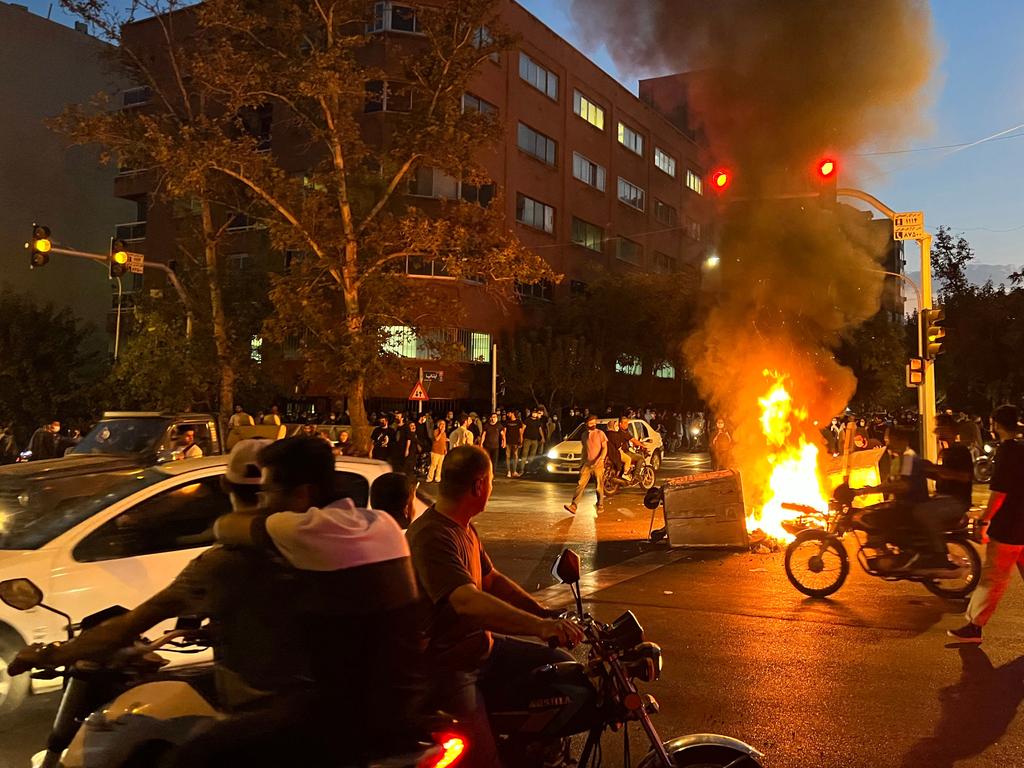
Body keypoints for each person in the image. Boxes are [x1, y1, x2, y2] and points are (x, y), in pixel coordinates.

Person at [406, 446, 585, 768]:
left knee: (562, 669)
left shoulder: (463, 526)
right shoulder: (432, 535)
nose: (491, 488)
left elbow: (491, 579)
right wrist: (539, 627)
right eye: (490, 481)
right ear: (478, 485)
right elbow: (466, 601)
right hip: (452, 665)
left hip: (483, 648)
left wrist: (543, 614)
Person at [949, 405, 1024, 643]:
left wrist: (984, 520)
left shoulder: (1007, 452)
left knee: (993, 579)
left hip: (1008, 528)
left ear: (995, 424)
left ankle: (974, 627)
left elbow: (999, 492)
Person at [911, 414, 973, 570]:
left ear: (948, 429)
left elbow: (964, 476)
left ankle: (940, 554)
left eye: (938, 428)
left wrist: (935, 469)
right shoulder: (944, 452)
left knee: (923, 512)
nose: (935, 432)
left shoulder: (960, 451)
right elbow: (940, 475)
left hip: (956, 501)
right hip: (942, 499)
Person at [564, 414, 607, 515]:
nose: (593, 425)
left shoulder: (600, 433)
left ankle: (600, 505)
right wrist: (582, 463)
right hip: (587, 464)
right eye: (591, 423)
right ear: (586, 424)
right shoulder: (584, 435)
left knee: (599, 486)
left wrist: (601, 459)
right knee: (580, 484)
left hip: (598, 465)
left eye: (594, 423)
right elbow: (584, 450)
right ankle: (574, 506)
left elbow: (605, 448)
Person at [520, 409, 547, 475]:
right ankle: (521, 470)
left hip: (535, 440)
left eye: (536, 413)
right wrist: (521, 438)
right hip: (527, 439)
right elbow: (522, 429)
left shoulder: (538, 421)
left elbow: (540, 430)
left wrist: (542, 437)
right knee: (524, 455)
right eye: (533, 413)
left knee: (532, 456)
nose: (534, 414)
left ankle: (528, 469)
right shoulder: (527, 420)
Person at [504, 411, 523, 478]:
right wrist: (504, 441)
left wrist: (521, 441)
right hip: (508, 442)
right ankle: (508, 471)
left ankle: (514, 471)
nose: (507, 414)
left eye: (508, 413)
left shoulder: (518, 422)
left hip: (515, 442)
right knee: (507, 456)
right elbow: (504, 432)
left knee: (515, 456)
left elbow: (521, 432)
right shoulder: (507, 422)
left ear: (512, 413)